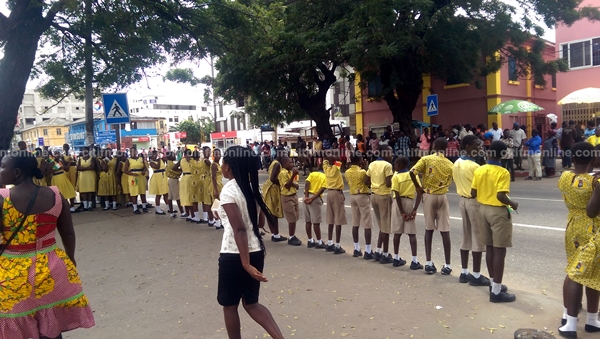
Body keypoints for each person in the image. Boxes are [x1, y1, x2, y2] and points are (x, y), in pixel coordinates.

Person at [0, 151, 94, 338]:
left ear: (17, 172)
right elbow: (67, 232)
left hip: (14, 273)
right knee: (51, 324)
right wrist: (71, 258)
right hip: (52, 270)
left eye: (3, 166)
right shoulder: (56, 195)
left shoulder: (3, 198)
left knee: (17, 324)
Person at [216, 146, 284, 339]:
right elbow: (259, 223)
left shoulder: (229, 190)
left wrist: (245, 265)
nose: (221, 166)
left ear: (228, 166)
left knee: (229, 306)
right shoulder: (252, 188)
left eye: (222, 162)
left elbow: (239, 229)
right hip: (255, 250)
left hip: (234, 254)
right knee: (251, 303)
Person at [555, 142, 600, 337]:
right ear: (593, 160)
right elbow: (592, 211)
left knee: (579, 271)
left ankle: (577, 318)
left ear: (572, 158)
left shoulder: (564, 177)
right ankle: (574, 325)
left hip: (572, 227)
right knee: (582, 274)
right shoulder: (594, 183)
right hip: (593, 231)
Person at [471, 140, 518, 303]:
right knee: (500, 251)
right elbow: (501, 196)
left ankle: (493, 283)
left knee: (490, 248)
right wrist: (513, 204)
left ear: (489, 152)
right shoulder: (503, 172)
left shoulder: (480, 170)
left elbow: (473, 192)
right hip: (497, 212)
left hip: (483, 209)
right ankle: (496, 292)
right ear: (504, 154)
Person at [452, 135, 492, 288]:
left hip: (463, 201)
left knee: (466, 235)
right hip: (474, 203)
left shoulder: (456, 163)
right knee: (477, 239)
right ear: (468, 146)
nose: (480, 147)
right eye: (477, 145)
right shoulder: (475, 167)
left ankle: (464, 272)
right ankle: (476, 275)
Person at [410, 137, 454, 275]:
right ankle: (447, 265)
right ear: (446, 148)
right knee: (445, 231)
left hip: (428, 196)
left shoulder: (426, 159)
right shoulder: (449, 164)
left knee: (429, 229)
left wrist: (418, 187)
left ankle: (429, 263)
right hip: (442, 197)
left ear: (434, 146)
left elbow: (412, 172)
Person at [391, 156, 423, 269]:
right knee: (411, 233)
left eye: (395, 163)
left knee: (397, 232)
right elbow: (420, 192)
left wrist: (401, 212)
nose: (394, 165)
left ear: (399, 165)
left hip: (398, 204)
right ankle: (414, 261)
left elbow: (397, 194)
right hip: (409, 202)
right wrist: (415, 209)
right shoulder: (413, 176)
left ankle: (396, 257)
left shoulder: (395, 176)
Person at [365, 145, 394, 263]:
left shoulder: (372, 164)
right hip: (384, 196)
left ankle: (378, 250)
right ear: (384, 153)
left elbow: (366, 181)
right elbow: (388, 183)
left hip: (374, 195)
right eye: (390, 153)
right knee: (386, 226)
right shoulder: (388, 165)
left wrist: (374, 185)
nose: (392, 155)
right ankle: (385, 253)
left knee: (382, 225)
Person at [344, 154, 374, 258]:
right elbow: (368, 183)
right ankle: (368, 250)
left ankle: (356, 248)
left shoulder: (347, 172)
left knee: (355, 223)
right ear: (360, 161)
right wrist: (366, 167)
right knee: (367, 223)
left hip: (353, 196)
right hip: (362, 196)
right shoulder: (362, 172)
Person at [323, 153, 347, 254]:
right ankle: (337, 244)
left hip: (329, 193)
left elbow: (325, 160)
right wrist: (334, 157)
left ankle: (329, 242)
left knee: (330, 218)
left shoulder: (326, 168)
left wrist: (327, 156)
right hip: (337, 193)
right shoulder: (336, 168)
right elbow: (339, 160)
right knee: (338, 219)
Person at [279, 156, 302, 246]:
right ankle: (291, 237)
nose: (292, 164)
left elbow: (297, 185)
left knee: (295, 217)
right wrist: (293, 176)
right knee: (291, 218)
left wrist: (292, 179)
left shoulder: (291, 172)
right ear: (284, 164)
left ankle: (293, 235)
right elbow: (287, 186)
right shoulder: (283, 173)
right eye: (290, 162)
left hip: (294, 195)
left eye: (292, 162)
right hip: (287, 197)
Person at [261, 154, 285, 240]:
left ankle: (275, 234)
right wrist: (283, 183)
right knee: (273, 213)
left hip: (269, 187)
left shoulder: (274, 162)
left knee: (271, 212)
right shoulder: (278, 164)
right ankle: (275, 235)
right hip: (272, 189)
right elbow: (273, 179)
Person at [303, 167, 327, 249]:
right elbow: (321, 190)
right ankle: (319, 241)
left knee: (308, 221)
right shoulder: (325, 177)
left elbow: (307, 183)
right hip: (315, 198)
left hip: (306, 196)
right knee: (316, 222)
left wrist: (306, 196)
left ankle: (310, 240)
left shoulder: (312, 174)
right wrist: (312, 198)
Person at [123, 147, 149, 214]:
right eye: (131, 152)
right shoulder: (128, 160)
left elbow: (145, 168)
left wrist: (143, 171)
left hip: (141, 177)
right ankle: (135, 208)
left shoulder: (141, 159)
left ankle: (144, 207)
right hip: (133, 178)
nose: (133, 153)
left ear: (137, 152)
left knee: (142, 192)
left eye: (134, 151)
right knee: (134, 193)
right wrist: (132, 173)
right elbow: (125, 170)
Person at [149, 150, 169, 215]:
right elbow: (157, 167)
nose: (155, 155)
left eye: (156, 154)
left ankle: (169, 208)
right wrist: (160, 160)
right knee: (158, 194)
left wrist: (163, 154)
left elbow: (167, 157)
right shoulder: (151, 162)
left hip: (163, 177)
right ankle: (157, 209)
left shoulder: (160, 160)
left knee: (166, 193)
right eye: (153, 154)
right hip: (157, 178)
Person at [76, 147, 96, 211]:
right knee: (84, 191)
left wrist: (83, 168)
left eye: (86, 150)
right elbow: (78, 168)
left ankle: (89, 206)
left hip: (90, 176)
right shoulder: (80, 159)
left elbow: (93, 167)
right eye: (83, 150)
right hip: (82, 177)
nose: (85, 151)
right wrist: (88, 167)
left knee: (90, 191)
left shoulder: (92, 158)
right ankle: (85, 206)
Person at [200, 147, 216, 225]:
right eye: (207, 151)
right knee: (211, 200)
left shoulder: (203, 160)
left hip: (206, 180)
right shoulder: (206, 161)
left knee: (208, 200)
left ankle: (210, 219)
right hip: (208, 180)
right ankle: (211, 219)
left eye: (209, 151)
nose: (209, 153)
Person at [165, 151, 184, 218]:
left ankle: (171, 213)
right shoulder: (171, 164)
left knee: (170, 197)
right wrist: (181, 170)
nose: (175, 156)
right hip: (174, 180)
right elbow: (176, 172)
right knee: (178, 197)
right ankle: (182, 212)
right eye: (173, 155)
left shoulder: (168, 163)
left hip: (170, 180)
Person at [211, 149, 224, 230]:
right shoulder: (214, 165)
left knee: (219, 204)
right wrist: (215, 189)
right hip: (216, 185)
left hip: (220, 184)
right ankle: (217, 222)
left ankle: (219, 221)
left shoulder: (218, 164)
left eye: (219, 154)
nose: (218, 156)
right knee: (216, 204)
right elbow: (213, 177)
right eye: (216, 154)